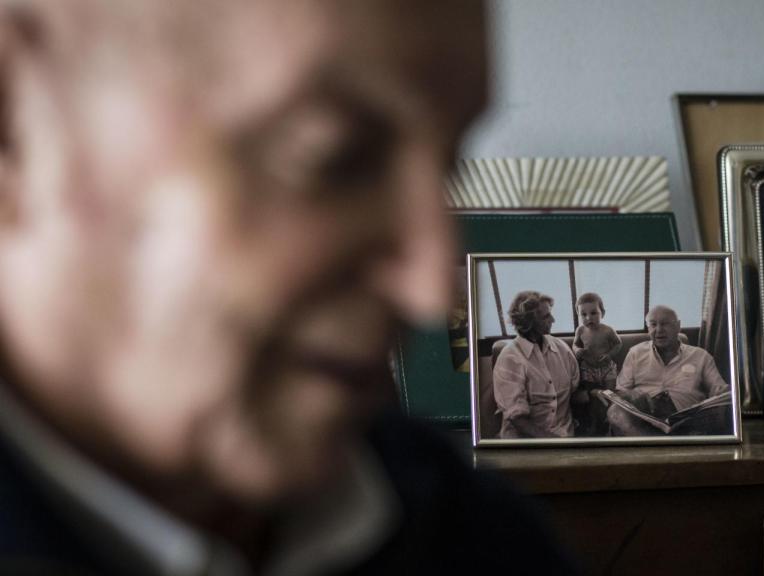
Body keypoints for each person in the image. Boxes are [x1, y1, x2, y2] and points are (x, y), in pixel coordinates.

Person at [0, 1, 577, 574]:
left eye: (452, 166)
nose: (430, 290)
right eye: (331, 156)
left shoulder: (478, 536)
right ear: (13, 117)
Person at [607, 305, 730, 436]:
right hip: (643, 419)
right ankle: (664, 444)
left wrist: (724, 392)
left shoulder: (701, 356)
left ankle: (657, 445)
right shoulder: (635, 353)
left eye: (665, 324)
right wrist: (631, 395)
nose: (659, 330)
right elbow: (620, 391)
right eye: (653, 324)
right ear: (648, 328)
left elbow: (719, 389)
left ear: (678, 326)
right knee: (615, 411)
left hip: (687, 419)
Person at [492, 291, 580, 439]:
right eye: (546, 316)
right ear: (528, 322)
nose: (553, 319)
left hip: (565, 434)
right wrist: (553, 443)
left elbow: (575, 391)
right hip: (526, 441)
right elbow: (517, 418)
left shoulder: (561, 348)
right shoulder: (509, 359)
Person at [571, 292, 621, 435]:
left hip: (606, 367)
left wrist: (609, 355)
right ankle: (593, 421)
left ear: (602, 313)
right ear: (579, 315)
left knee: (610, 395)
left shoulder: (608, 330)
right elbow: (574, 345)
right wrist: (577, 350)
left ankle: (610, 418)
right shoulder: (580, 330)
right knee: (590, 397)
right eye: (583, 314)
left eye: (593, 313)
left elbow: (618, 344)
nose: (589, 318)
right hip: (589, 368)